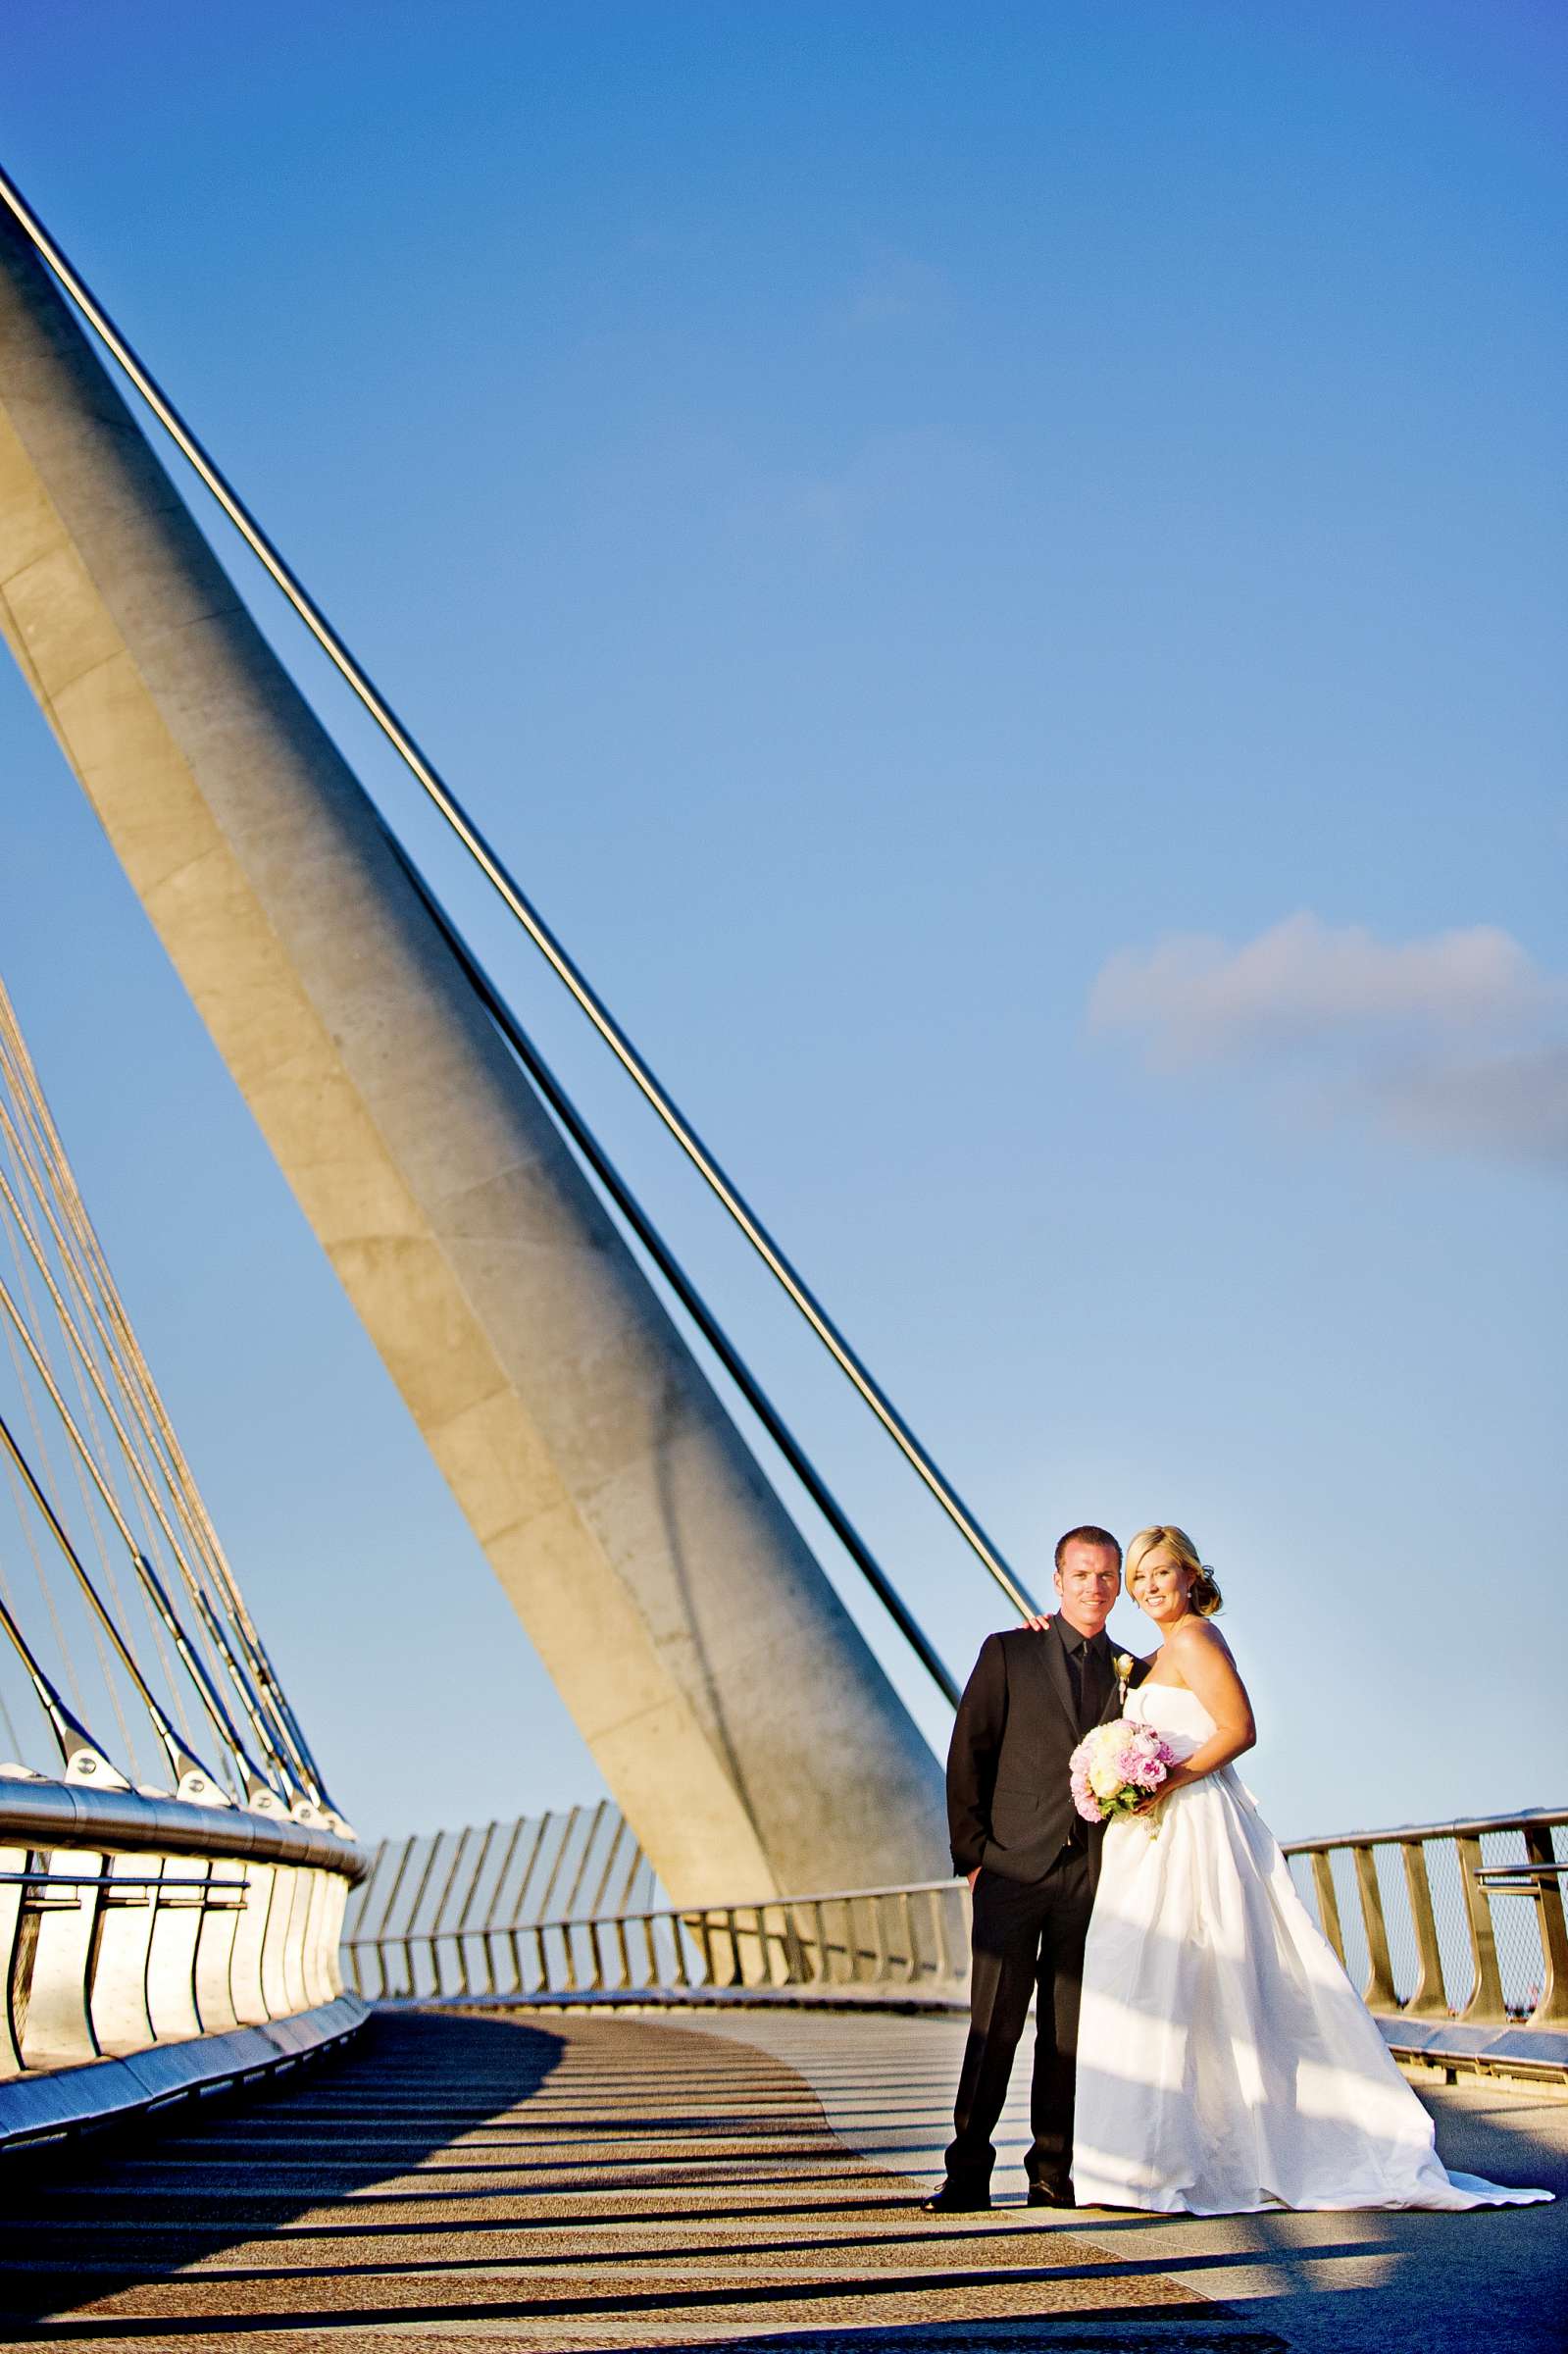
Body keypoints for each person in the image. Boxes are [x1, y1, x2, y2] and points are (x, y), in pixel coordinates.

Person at [1070, 1523, 1551, 2214]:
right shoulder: (1152, 1652)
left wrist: (1161, 1783)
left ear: (1189, 1577)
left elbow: (1239, 1729)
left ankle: (1213, 2158)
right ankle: (1161, 2158)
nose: (1148, 1588)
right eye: (1138, 1577)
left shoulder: (1195, 1638)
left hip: (1194, 1824)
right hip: (1153, 1833)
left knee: (1211, 1978)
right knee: (1159, 1982)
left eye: (1160, 1574)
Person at [925, 1524, 1145, 2213]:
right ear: (1056, 1580)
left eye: (1107, 1576)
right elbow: (969, 1754)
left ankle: (1052, 2173)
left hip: (1090, 1877)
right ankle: (966, 2173)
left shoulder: (1131, 1671)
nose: (1095, 1587)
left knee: (1068, 2032)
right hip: (1010, 1873)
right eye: (1081, 1575)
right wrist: (974, 1859)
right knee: (994, 2027)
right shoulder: (1008, 1651)